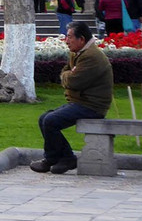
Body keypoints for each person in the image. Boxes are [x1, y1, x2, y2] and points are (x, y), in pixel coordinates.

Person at [30, 21, 113, 175]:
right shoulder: (78, 52)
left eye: (69, 37)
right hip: (79, 102)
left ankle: (64, 158)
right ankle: (55, 158)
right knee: (44, 118)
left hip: (92, 106)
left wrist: (68, 76)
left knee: (50, 121)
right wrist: (69, 74)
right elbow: (66, 72)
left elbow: (74, 81)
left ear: (81, 39)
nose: (66, 41)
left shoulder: (91, 56)